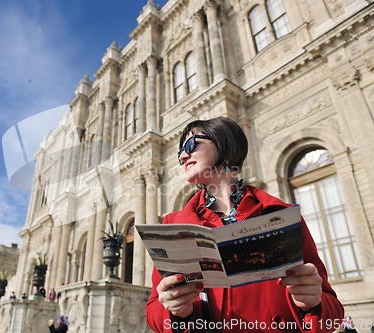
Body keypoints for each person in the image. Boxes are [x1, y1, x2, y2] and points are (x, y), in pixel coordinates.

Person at [145, 117, 344, 333]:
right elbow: (154, 311)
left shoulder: (281, 215)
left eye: (191, 145)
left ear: (223, 143)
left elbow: (332, 314)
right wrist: (174, 313)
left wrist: (313, 304)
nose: (184, 156)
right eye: (180, 153)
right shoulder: (173, 225)